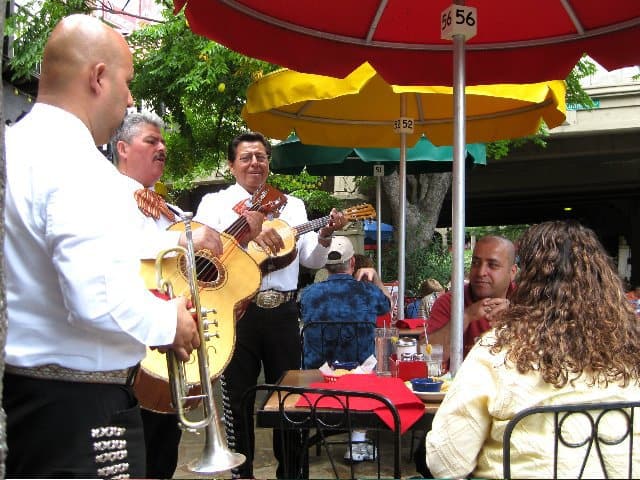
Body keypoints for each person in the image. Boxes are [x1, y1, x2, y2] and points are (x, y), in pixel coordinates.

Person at [2, 15, 200, 478]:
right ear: (97, 77)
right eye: (127, 83)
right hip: (80, 415)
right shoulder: (79, 166)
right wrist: (169, 320)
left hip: (25, 402)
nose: (129, 99)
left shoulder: (13, 145)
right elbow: (95, 296)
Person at [420, 220, 640, 478]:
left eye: (493, 265)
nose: (481, 272)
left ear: (523, 277)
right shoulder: (630, 351)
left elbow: (446, 465)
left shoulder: (497, 350)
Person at [110, 112, 263, 477]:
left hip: (169, 349)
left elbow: (192, 273)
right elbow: (114, 248)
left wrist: (224, 297)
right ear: (122, 149)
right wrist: (178, 240)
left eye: (163, 142)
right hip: (131, 351)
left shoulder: (170, 212)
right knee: (134, 456)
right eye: (151, 140)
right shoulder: (109, 198)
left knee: (162, 452)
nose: (162, 147)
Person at [194, 131, 348, 479]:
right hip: (237, 312)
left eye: (261, 157)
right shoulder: (214, 204)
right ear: (232, 164)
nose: (255, 163)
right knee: (238, 399)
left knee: (291, 399)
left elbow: (310, 260)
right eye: (246, 157)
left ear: (268, 163)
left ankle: (293, 474)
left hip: (283, 311)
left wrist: (324, 238)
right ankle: (241, 473)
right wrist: (244, 229)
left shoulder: (292, 206)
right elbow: (204, 254)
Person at [299, 237, 391, 462]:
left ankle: (315, 435)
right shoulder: (368, 292)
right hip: (360, 379)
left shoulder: (308, 295)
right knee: (372, 363)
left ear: (325, 266)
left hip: (318, 377)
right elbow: (388, 305)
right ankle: (358, 441)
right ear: (352, 264)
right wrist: (375, 278)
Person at [426, 235, 517, 362]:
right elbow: (428, 356)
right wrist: (466, 316)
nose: (480, 272)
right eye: (475, 263)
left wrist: (517, 318)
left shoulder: (526, 301)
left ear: (512, 272)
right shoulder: (451, 302)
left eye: (492, 265)